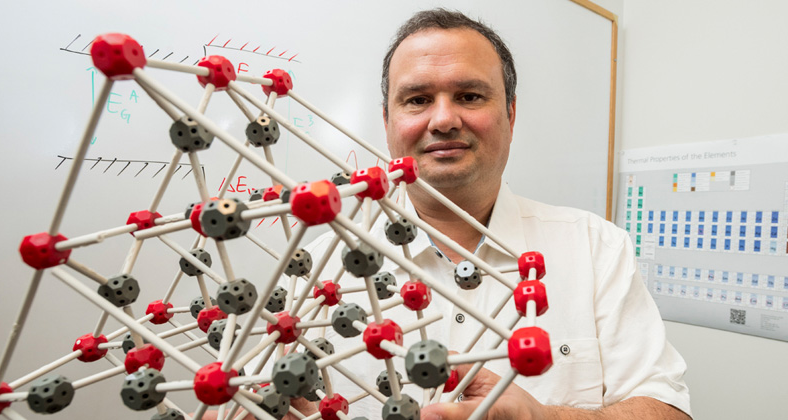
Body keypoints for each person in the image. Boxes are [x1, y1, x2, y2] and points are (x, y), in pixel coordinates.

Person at [211, 8, 692, 420]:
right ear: (388, 123)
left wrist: (542, 417)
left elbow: (667, 409)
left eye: (470, 95)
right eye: (418, 99)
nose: (443, 120)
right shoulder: (320, 266)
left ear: (511, 113)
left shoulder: (596, 248)